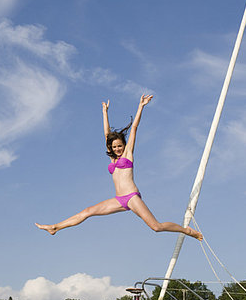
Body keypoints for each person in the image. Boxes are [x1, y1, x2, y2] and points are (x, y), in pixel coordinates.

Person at [35, 94, 202, 241]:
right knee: (87, 211)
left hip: (131, 197)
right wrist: (104, 113)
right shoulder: (112, 157)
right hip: (119, 200)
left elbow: (134, 128)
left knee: (156, 227)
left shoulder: (128, 154)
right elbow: (107, 134)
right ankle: (55, 227)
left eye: (119, 146)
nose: (117, 149)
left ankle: (186, 231)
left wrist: (141, 107)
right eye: (114, 147)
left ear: (124, 145)